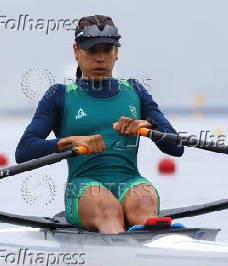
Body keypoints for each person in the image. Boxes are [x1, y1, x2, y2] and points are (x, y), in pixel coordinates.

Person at [15, 15, 183, 234]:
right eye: (92, 50)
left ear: (117, 53)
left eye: (107, 50)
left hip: (130, 181)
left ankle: (148, 243)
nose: (100, 58)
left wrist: (147, 127)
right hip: (83, 188)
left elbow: (176, 147)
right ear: (76, 51)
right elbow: (24, 151)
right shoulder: (59, 95)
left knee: (143, 203)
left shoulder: (135, 91)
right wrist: (69, 142)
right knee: (108, 209)